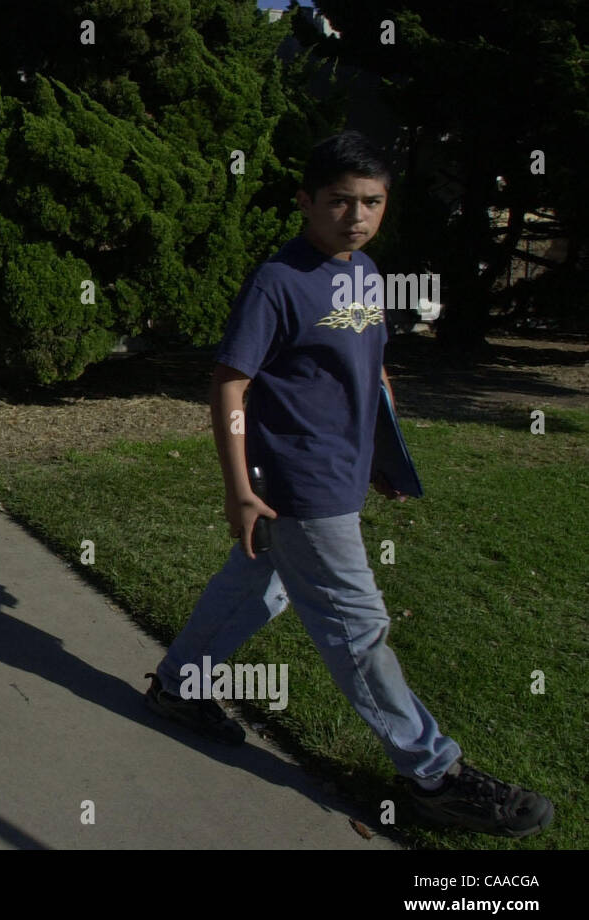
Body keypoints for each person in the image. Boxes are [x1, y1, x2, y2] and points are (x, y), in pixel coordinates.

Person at [142, 131, 554, 839]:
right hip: (299, 484)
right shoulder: (279, 280)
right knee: (358, 633)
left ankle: (179, 685)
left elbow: (371, 372)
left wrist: (383, 456)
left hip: (341, 473)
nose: (356, 215)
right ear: (306, 201)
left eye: (371, 202)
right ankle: (433, 774)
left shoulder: (364, 272)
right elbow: (229, 383)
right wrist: (238, 487)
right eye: (339, 201)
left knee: (257, 586)